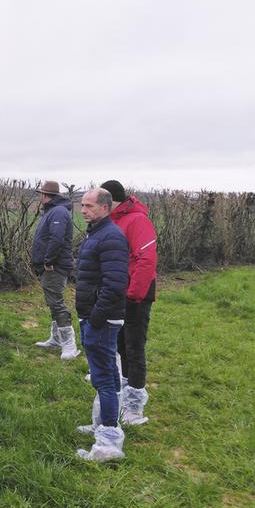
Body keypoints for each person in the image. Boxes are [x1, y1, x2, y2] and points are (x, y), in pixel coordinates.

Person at [74, 188, 129, 462]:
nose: (83, 210)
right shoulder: (96, 233)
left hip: (102, 319)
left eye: (89, 206)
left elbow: (116, 284)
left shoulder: (111, 237)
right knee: (100, 375)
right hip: (92, 315)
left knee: (106, 378)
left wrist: (96, 317)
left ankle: (108, 443)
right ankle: (101, 424)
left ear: (105, 208)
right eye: (82, 205)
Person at [100, 180, 157, 425]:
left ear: (112, 201)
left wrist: (134, 294)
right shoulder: (114, 220)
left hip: (136, 294)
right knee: (121, 346)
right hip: (119, 292)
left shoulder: (137, 221)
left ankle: (135, 408)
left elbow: (146, 259)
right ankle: (124, 396)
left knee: (134, 349)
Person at [31, 180, 80, 360]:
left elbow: (56, 238)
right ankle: (56, 339)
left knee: (57, 303)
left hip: (54, 266)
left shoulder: (58, 212)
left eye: (40, 194)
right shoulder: (53, 211)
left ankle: (69, 345)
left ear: (44, 195)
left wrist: (48, 261)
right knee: (52, 301)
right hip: (50, 265)